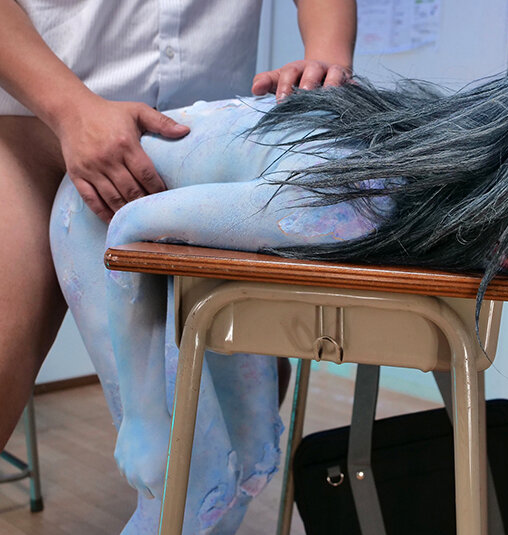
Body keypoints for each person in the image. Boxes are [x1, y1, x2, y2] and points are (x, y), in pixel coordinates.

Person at [50, 23, 508, 533]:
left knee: (252, 462)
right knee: (189, 480)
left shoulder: (451, 198)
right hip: (103, 210)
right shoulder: (355, 203)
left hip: (202, 239)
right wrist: (143, 419)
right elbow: (133, 227)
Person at [0, 0, 357, 451]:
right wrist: (72, 111)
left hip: (204, 140)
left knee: (249, 391)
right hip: (31, 127)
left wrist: (326, 61)